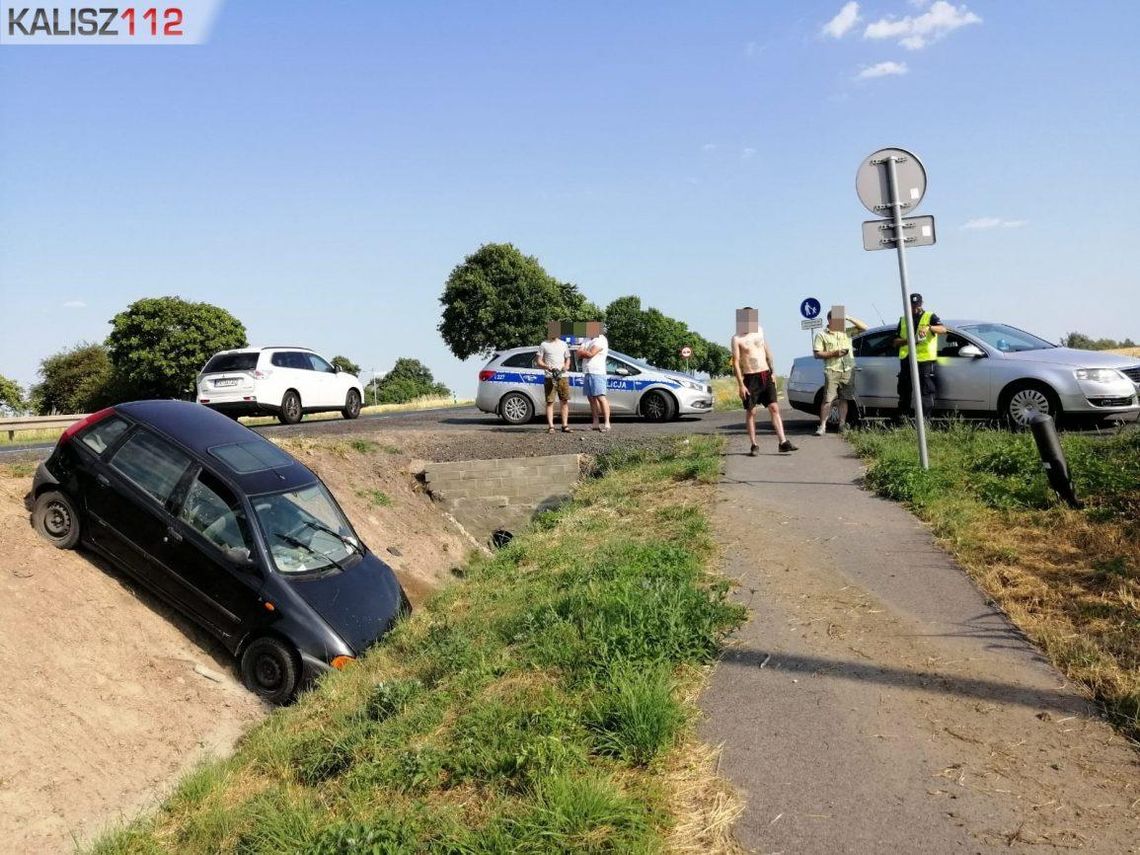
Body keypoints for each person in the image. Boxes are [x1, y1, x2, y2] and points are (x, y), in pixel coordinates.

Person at [731, 307, 797, 456]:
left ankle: (783, 442)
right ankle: (754, 444)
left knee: (774, 408)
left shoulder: (759, 330)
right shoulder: (737, 338)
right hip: (750, 378)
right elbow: (735, 362)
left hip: (765, 375)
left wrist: (773, 371)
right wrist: (741, 385)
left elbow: (767, 350)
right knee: (751, 411)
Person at [812, 310, 868, 436]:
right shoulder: (821, 335)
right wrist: (834, 353)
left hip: (848, 369)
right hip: (832, 370)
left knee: (845, 398)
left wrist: (848, 317)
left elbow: (864, 327)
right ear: (830, 320)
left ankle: (842, 424)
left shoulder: (846, 332)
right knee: (828, 399)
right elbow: (817, 354)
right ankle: (822, 426)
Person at [892, 293, 946, 421]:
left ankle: (923, 422)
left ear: (921, 304)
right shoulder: (903, 319)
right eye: (911, 305)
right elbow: (895, 342)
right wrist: (910, 340)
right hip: (907, 360)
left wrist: (929, 328)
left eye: (917, 304)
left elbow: (943, 329)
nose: (915, 307)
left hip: (924, 361)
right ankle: (903, 422)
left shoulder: (929, 316)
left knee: (925, 392)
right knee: (904, 392)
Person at [536, 323, 572, 433]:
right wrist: (547, 366)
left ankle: (565, 425)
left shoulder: (563, 344)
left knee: (564, 401)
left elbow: (568, 359)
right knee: (550, 402)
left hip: (563, 376)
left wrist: (566, 366)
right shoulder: (543, 344)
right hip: (549, 377)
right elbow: (538, 361)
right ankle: (551, 426)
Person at [578, 322, 611, 432]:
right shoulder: (587, 339)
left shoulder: (601, 339)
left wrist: (584, 352)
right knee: (591, 399)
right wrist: (584, 352)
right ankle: (595, 423)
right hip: (587, 371)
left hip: (597, 372)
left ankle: (607, 423)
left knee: (600, 397)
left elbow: (590, 354)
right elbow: (578, 353)